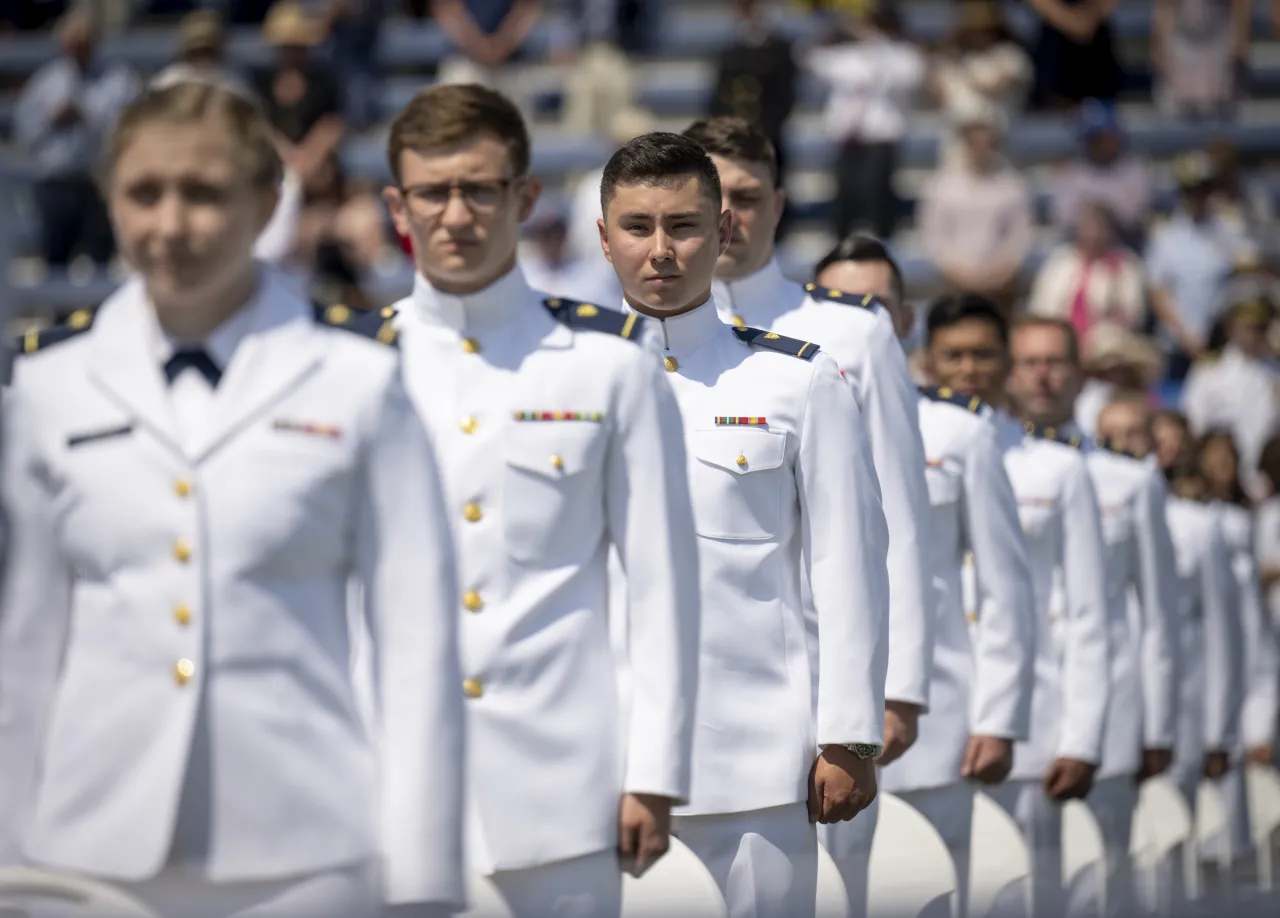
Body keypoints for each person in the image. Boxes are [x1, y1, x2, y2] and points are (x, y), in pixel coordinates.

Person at [0, 79, 465, 918]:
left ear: (264, 201)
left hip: (301, 850)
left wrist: (422, 878)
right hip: (85, 849)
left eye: (203, 193)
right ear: (110, 200)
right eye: (144, 193)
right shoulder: (47, 389)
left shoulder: (356, 385)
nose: (170, 226)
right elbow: (26, 646)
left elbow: (415, 643)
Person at [381, 84, 701, 918]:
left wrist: (654, 770)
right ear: (396, 207)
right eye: (432, 192)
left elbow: (661, 587)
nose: (456, 214)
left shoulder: (608, 367)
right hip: (384, 790)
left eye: (479, 188)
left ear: (523, 197)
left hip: (563, 799)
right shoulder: (348, 369)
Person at [597, 131, 889, 918]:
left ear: (724, 231)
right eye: (637, 227)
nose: (661, 250)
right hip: (598, 759)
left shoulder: (798, 380)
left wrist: (851, 736)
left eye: (684, 225)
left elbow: (848, 564)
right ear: (602, 237)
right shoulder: (565, 382)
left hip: (752, 763)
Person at [681, 119, 933, 913]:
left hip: (833, 689)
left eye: (747, 197)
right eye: (711, 199)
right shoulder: (640, 340)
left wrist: (891, 693)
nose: (730, 217)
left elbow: (898, 519)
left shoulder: (851, 333)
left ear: (780, 203)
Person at [923, 294, 1109, 918]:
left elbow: (1087, 613)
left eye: (984, 354)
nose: (970, 368)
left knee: (1028, 897)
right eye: (954, 355)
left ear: (1007, 365)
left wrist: (1081, 736)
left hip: (1033, 729)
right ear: (927, 361)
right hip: (937, 717)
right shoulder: (904, 454)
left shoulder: (1055, 468)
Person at [1007, 316, 1181, 915]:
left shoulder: (1128, 479)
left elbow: (1158, 613)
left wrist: (1156, 728)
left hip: (1108, 713)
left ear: (1080, 375)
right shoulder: (995, 464)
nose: (1042, 375)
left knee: (1105, 890)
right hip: (1018, 713)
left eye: (1055, 361)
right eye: (1028, 361)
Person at [13, 10, 138, 267]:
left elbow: (129, 129)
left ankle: (97, 307)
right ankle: (59, 309)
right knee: (55, 258)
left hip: (96, 180)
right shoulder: (46, 82)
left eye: (83, 43)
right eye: (72, 43)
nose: (77, 49)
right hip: (56, 183)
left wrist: (87, 118)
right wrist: (51, 121)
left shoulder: (117, 80)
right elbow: (24, 131)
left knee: (100, 257)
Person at [803, 6, 925, 240]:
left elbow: (912, 75)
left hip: (880, 140)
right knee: (844, 196)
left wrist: (879, 47)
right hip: (847, 139)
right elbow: (809, 58)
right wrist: (835, 33)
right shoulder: (846, 56)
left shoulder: (902, 55)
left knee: (877, 196)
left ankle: (883, 243)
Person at [918, 100, 1033, 307]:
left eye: (987, 142)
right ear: (965, 142)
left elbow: (1019, 236)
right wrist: (964, 276)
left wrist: (999, 273)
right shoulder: (940, 186)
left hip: (1001, 285)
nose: (981, 149)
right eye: (975, 142)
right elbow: (935, 238)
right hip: (954, 283)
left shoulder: (1012, 185)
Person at [1182, 295, 1280, 501]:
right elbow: (1193, 424)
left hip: (1266, 484)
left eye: (1260, 327)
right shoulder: (1209, 370)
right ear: (1231, 327)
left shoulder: (1274, 374)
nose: (1254, 335)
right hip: (1218, 481)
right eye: (1248, 327)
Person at [1027, 199, 1147, 344]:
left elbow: (1133, 314)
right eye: (1087, 227)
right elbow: (1041, 304)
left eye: (1099, 228)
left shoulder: (1125, 265)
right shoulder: (1060, 260)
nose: (1092, 234)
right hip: (1059, 340)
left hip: (1106, 347)